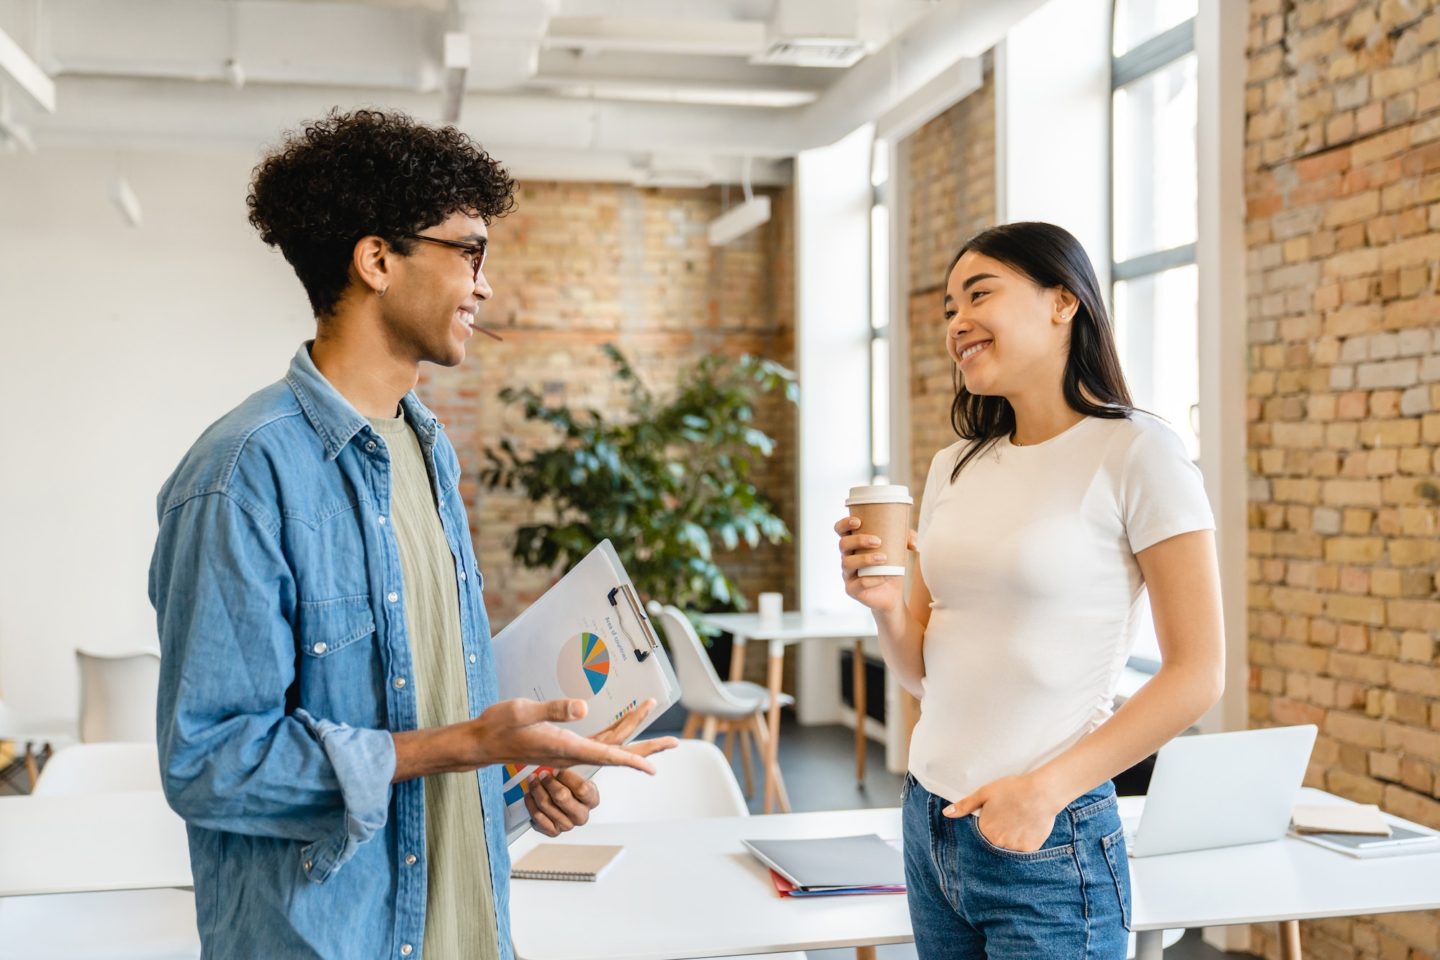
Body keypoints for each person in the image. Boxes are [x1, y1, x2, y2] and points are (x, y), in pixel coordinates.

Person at [149, 109, 675, 960]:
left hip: (467, 931)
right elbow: (209, 764)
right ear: (378, 259)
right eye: (469, 250)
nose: (485, 283)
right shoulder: (242, 476)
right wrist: (468, 743)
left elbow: (422, 714)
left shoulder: (426, 450)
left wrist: (519, 775)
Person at [835, 222, 1224, 958]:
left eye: (979, 294)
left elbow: (1198, 674)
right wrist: (886, 610)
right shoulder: (955, 465)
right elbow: (924, 673)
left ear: (1063, 302)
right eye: (949, 307)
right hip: (930, 824)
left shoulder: (1139, 451)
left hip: (1050, 843)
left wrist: (1043, 792)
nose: (958, 321)